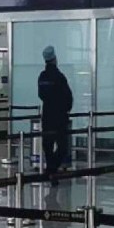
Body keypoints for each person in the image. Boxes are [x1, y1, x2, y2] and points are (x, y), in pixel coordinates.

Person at [37, 45, 73, 175]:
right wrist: (65, 109)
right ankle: (52, 170)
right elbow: (68, 97)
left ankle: (50, 170)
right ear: (55, 59)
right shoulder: (59, 77)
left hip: (47, 116)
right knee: (62, 147)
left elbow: (41, 95)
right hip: (59, 117)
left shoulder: (42, 77)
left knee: (48, 145)